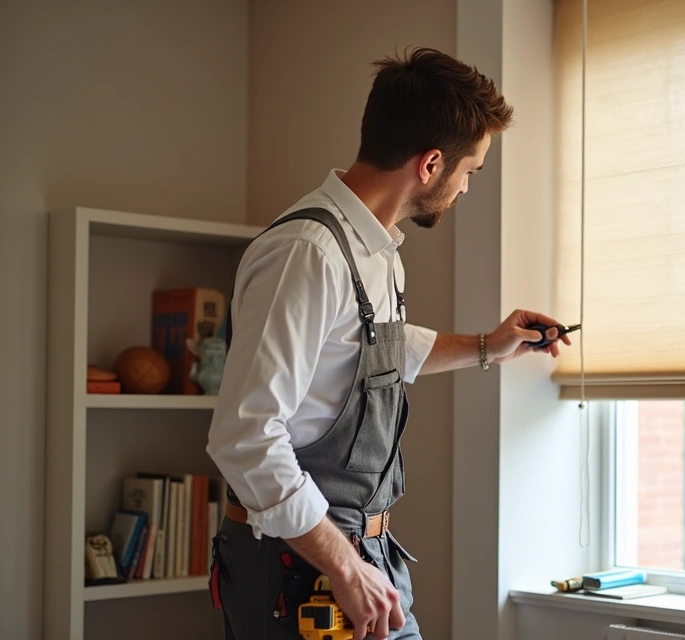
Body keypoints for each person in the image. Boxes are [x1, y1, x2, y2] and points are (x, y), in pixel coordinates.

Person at [205, 48, 569, 640]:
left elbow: (374, 353)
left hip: (359, 557)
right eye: (470, 170)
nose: (467, 188)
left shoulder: (374, 252)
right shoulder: (308, 254)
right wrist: (342, 562)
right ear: (430, 164)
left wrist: (489, 346)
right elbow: (244, 436)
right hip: (304, 567)